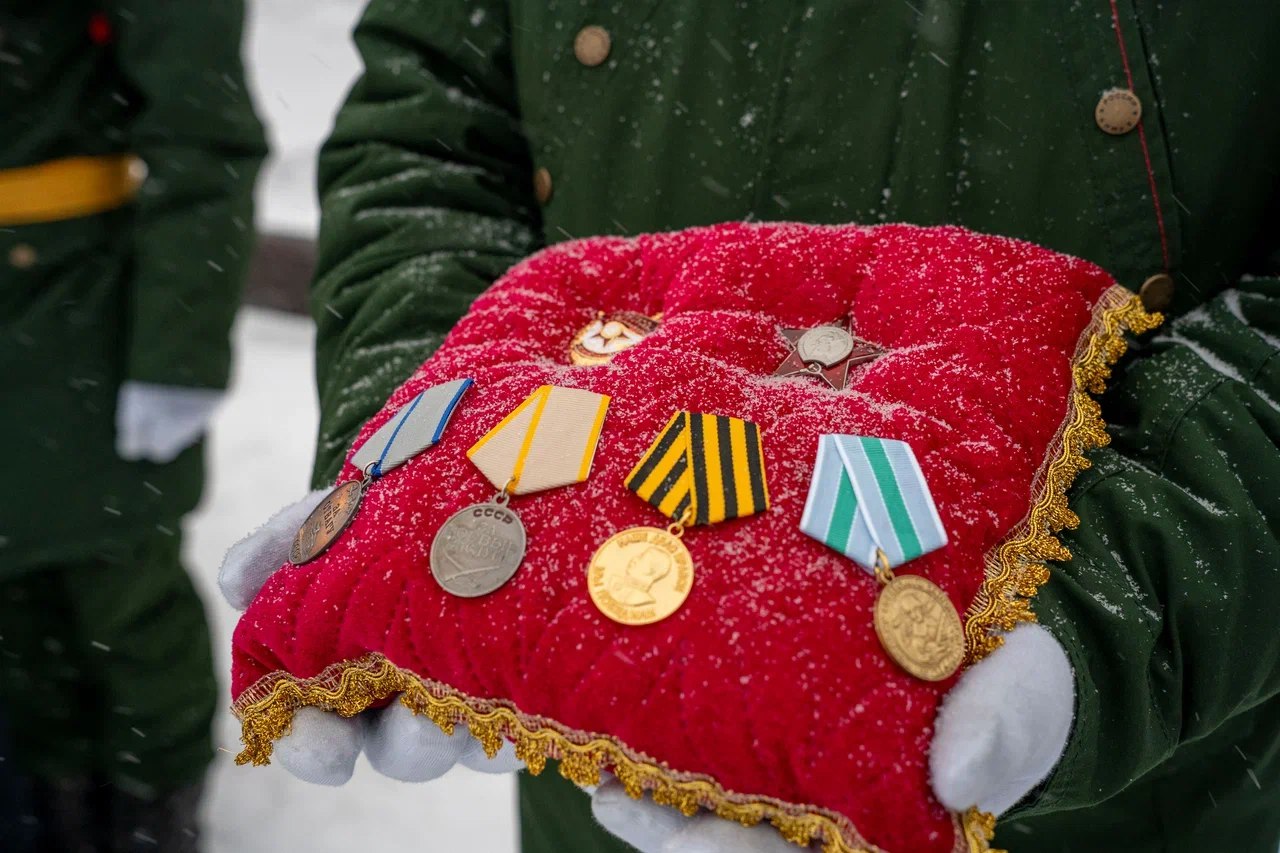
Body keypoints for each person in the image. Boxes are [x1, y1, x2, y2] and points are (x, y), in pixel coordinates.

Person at [296, 2, 1278, 851]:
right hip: (594, 750)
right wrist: (417, 444)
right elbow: (432, 129)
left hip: (1106, 795)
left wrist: (1103, 597)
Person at [0, 3, 265, 850]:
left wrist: (175, 355)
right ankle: (60, 803)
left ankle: (154, 812)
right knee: (18, 609)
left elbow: (203, 138)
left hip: (77, 316)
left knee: (120, 596)